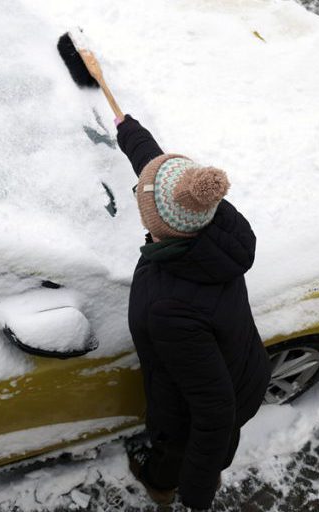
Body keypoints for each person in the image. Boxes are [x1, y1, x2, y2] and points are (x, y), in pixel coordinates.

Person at [116, 114, 272, 510]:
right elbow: (163, 181)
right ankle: (209, 464)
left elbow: (213, 411)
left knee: (177, 450)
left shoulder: (170, 308)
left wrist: (198, 497)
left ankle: (161, 485)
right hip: (245, 372)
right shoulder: (214, 222)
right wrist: (128, 129)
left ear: (158, 223)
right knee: (222, 436)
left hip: (189, 412)